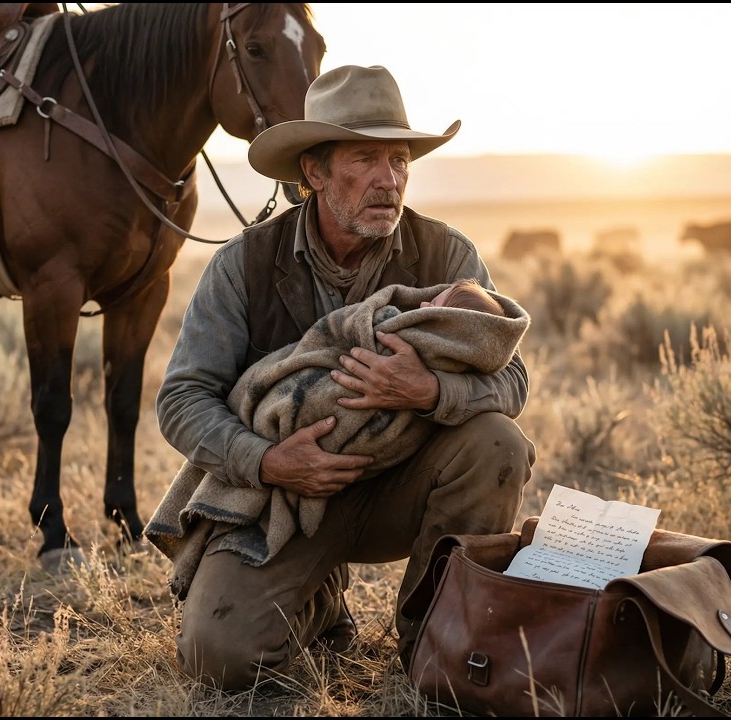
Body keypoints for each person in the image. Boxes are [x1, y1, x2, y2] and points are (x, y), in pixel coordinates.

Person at [148, 64, 537, 691]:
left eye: (400, 160)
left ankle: (434, 648)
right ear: (315, 171)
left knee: (498, 443)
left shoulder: (447, 254)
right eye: (365, 159)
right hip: (282, 498)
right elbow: (183, 399)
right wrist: (268, 460)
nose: (390, 180)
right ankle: (321, 603)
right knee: (218, 656)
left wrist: (428, 392)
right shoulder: (242, 265)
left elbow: (512, 380)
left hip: (402, 487)